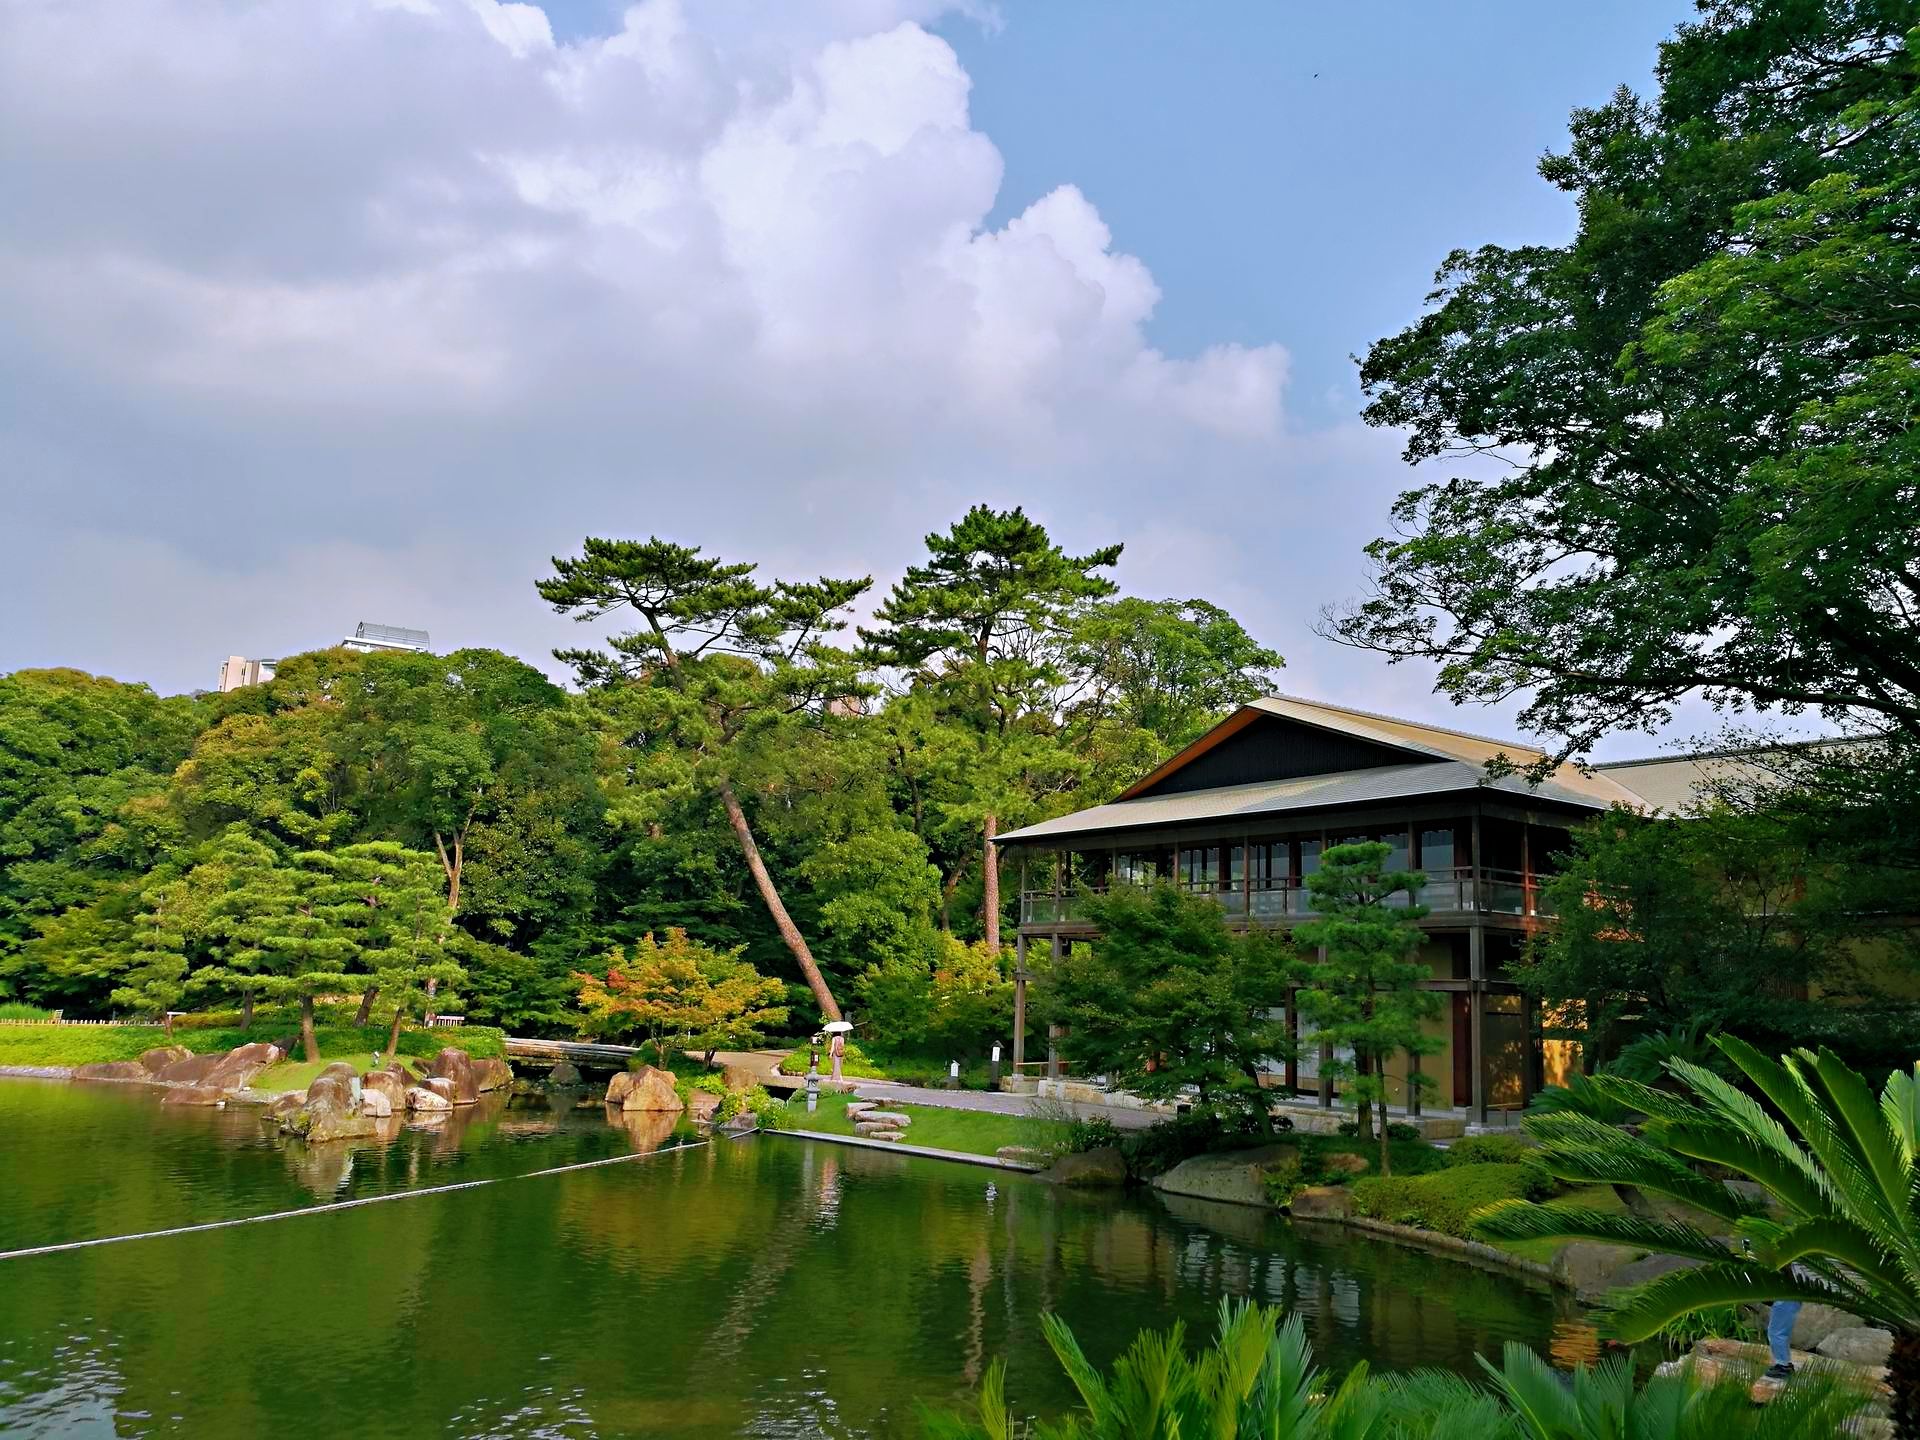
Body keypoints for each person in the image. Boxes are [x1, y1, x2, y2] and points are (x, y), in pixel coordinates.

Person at [1765, 1298, 1802, 1380]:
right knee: (1781, 1332)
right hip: (1789, 1299)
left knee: (1776, 1332)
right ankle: (1784, 1364)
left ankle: (1782, 1367)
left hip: (1785, 1300)